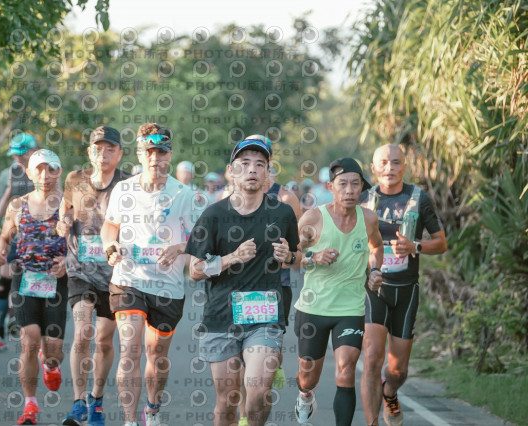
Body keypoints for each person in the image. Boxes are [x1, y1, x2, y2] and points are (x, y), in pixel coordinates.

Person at [185, 138, 300, 426]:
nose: (252, 170)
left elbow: (298, 257)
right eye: (244, 164)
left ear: (267, 173)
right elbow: (195, 270)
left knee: (258, 392)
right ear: (231, 171)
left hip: (264, 317)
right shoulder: (213, 215)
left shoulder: (282, 213)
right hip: (221, 317)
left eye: (260, 164)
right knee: (227, 401)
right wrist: (231, 257)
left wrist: (289, 256)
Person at [101, 123, 203, 426]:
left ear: (170, 154)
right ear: (139, 154)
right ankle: (130, 421)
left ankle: (153, 408)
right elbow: (110, 226)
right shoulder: (124, 190)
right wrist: (110, 246)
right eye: (149, 152)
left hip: (167, 287)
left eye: (161, 152)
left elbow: (201, 239)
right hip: (128, 280)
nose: (155, 158)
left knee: (156, 356)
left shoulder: (184, 194)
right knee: (130, 349)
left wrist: (180, 247)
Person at [360, 144, 447, 426]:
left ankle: (389, 391)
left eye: (396, 162)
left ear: (405, 167)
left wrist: (415, 246)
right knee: (372, 359)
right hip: (373, 289)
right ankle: (372, 422)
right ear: (373, 168)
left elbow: (441, 243)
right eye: (383, 163)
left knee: (398, 371)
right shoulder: (363, 200)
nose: (390, 168)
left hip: (406, 291)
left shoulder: (419, 198)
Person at [293, 158, 383, 426]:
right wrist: (313, 256)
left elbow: (376, 247)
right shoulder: (313, 218)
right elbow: (290, 257)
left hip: (350, 308)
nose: (349, 190)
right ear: (331, 186)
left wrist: (374, 270)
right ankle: (305, 395)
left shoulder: (369, 219)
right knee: (308, 375)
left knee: (345, 369)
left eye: (355, 184)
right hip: (313, 307)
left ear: (362, 187)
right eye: (343, 184)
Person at [57, 126, 130, 426]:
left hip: (115, 273)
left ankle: (96, 400)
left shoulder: (128, 184)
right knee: (83, 330)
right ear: (90, 152)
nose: (103, 154)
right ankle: (78, 403)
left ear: (119, 153)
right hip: (80, 269)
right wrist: (62, 222)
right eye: (98, 149)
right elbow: (65, 209)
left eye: (110, 149)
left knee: (104, 339)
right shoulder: (75, 179)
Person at [0, 149, 67, 425]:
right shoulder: (17, 205)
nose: (45, 175)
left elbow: (81, 241)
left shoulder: (69, 205)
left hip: (56, 282)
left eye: (51, 169)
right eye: (39, 169)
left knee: (54, 352)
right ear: (29, 172)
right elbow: (4, 237)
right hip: (24, 279)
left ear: (59, 171)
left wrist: (68, 261)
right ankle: (30, 405)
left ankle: (50, 364)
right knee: (29, 339)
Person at [0, 133, 38, 351]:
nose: (17, 158)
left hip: (37, 234)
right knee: (5, 280)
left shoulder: (43, 169)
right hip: (13, 228)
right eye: (14, 155)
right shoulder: (14, 171)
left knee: (28, 280)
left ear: (32, 151)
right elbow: (8, 195)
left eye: (20, 154)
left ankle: (28, 326)